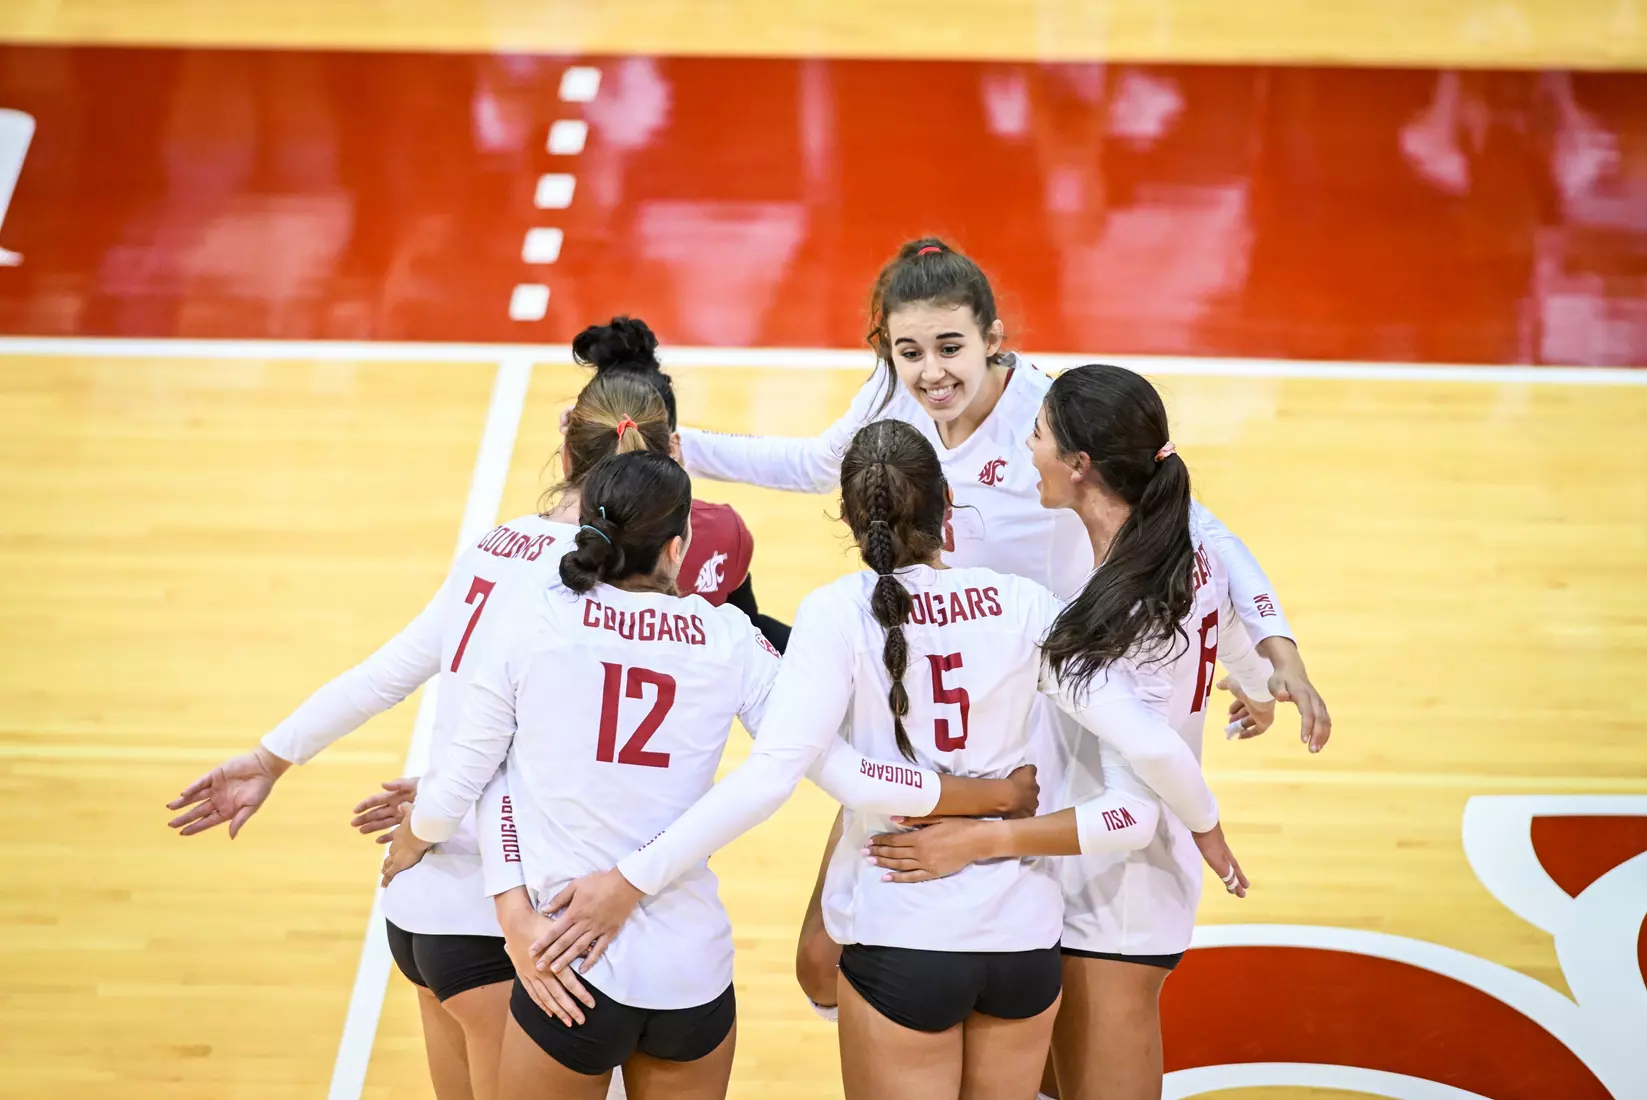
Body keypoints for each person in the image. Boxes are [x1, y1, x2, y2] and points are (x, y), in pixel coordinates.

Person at [676, 238, 1329, 1009]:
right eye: (907, 350)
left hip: (1047, 706)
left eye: (951, 347)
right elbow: (818, 464)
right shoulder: (893, 393)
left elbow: (1192, 532)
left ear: (993, 338)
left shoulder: (1048, 425)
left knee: (1032, 960)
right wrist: (674, 447)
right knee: (823, 962)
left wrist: (1265, 657)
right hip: (927, 694)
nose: (931, 373)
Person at [530, 421, 1252, 1100]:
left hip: (901, 935)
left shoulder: (835, 611)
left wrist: (631, 878)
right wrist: (1203, 826)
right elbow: (1152, 754)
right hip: (1022, 945)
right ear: (947, 508)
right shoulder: (1026, 605)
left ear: (849, 520)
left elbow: (804, 768)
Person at [389, 449, 1039, 1100]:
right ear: (678, 546)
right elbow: (832, 769)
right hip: (689, 971)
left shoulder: (527, 623)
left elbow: (472, 779)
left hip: (567, 959)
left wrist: (445, 853)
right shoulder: (728, 638)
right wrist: (990, 796)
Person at [163, 366, 679, 1100]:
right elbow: (527, 748)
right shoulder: (604, 595)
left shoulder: (496, 545)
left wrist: (270, 756)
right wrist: (440, 806)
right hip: (510, 914)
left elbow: (390, 669)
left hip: (423, 913)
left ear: (565, 450)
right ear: (667, 467)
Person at [866, 364, 1283, 1100]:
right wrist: (1256, 685)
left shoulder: (1119, 600)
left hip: (1117, 883)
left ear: (1079, 465)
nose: (1027, 449)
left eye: (1037, 435)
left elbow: (1135, 806)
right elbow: (1228, 629)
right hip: (1099, 862)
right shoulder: (1176, 544)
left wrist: (977, 838)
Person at [565, 315, 791, 650]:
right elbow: (750, 632)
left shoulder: (546, 552)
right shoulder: (724, 532)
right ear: (672, 446)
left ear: (573, 445)